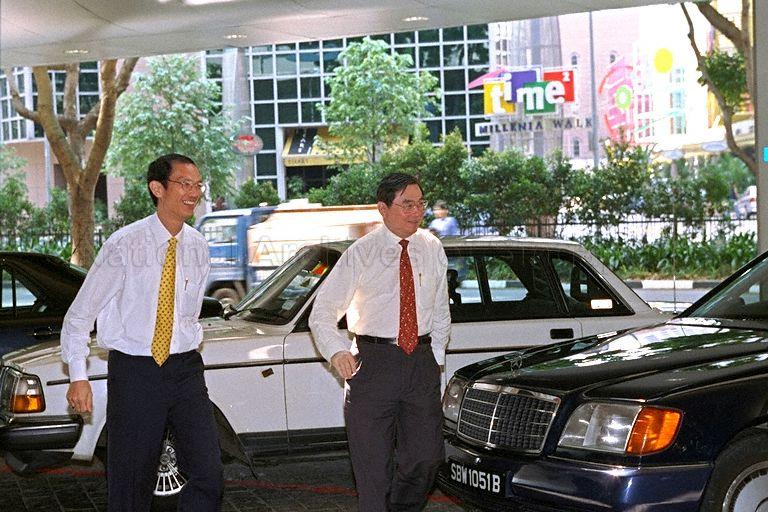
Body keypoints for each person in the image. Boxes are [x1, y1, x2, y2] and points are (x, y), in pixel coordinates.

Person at [61, 154, 222, 511]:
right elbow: (79, 316)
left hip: (185, 370)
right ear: (157, 188)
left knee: (209, 473)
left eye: (198, 185)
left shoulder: (197, 246)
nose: (194, 192)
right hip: (136, 372)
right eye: (185, 183)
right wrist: (78, 376)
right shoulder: (124, 244)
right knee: (131, 481)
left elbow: (189, 314)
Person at [309, 172, 451, 512]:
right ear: (383, 208)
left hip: (420, 363)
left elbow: (441, 309)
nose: (416, 212)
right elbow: (323, 312)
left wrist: (435, 357)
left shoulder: (431, 248)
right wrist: (337, 351)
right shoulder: (362, 252)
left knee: (427, 459)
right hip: (372, 365)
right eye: (406, 205)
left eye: (420, 204)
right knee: (372, 470)